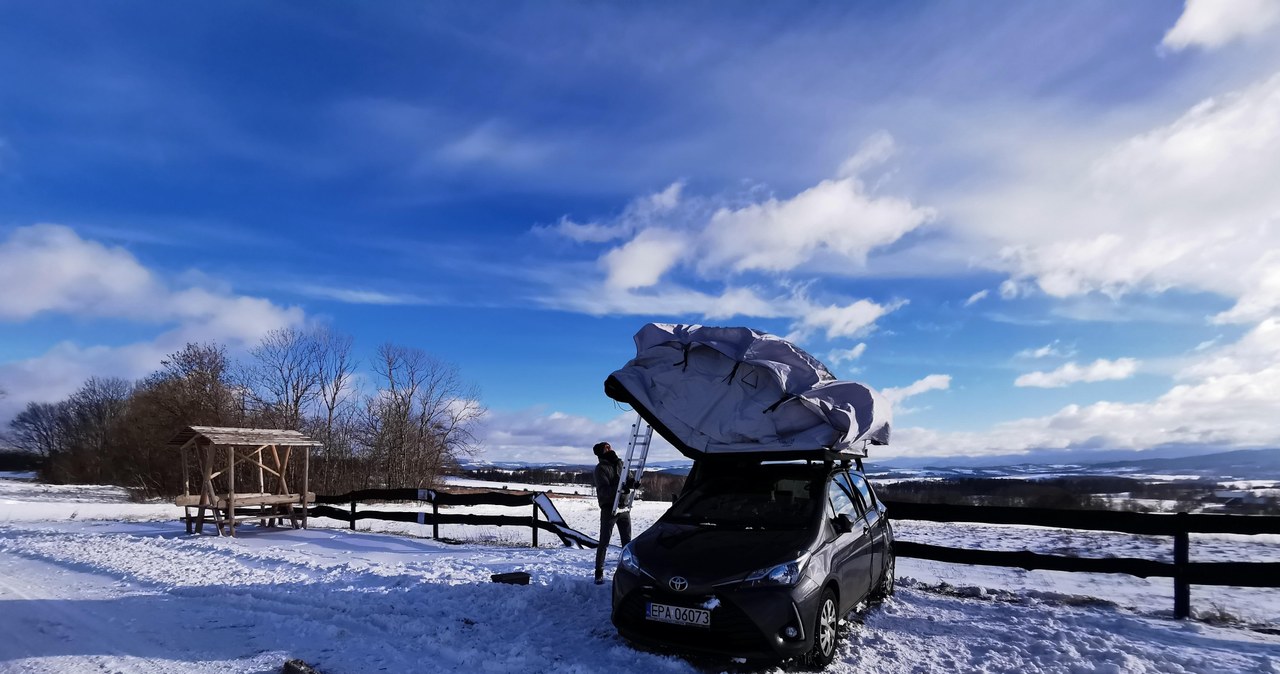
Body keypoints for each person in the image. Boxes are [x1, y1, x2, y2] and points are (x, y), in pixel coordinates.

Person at [593, 440, 632, 584]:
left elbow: (628, 477)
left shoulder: (620, 463)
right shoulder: (600, 469)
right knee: (604, 541)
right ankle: (599, 571)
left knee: (627, 542)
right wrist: (620, 488)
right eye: (605, 448)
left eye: (609, 446)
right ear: (601, 453)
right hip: (609, 508)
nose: (609, 448)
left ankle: (628, 570)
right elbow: (604, 491)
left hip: (624, 507)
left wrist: (632, 483)